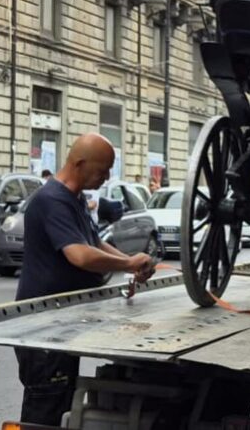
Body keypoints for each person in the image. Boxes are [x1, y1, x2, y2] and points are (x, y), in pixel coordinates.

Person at [14, 133, 157, 426]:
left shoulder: (73, 199)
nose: (106, 178)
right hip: (43, 331)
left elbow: (92, 242)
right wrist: (129, 262)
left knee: (61, 403)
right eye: (102, 170)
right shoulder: (52, 200)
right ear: (79, 163)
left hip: (61, 325)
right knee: (45, 413)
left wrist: (129, 266)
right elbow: (79, 254)